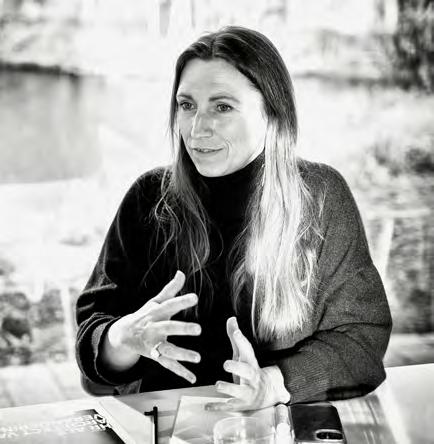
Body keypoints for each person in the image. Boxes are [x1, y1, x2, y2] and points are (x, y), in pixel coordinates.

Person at [75, 26, 392, 410]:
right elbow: (93, 340)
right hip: (159, 426)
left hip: (280, 425)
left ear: (272, 113)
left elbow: (362, 340)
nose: (196, 128)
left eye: (222, 107)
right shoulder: (148, 197)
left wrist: (273, 384)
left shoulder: (321, 196)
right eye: (186, 105)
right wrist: (120, 339)